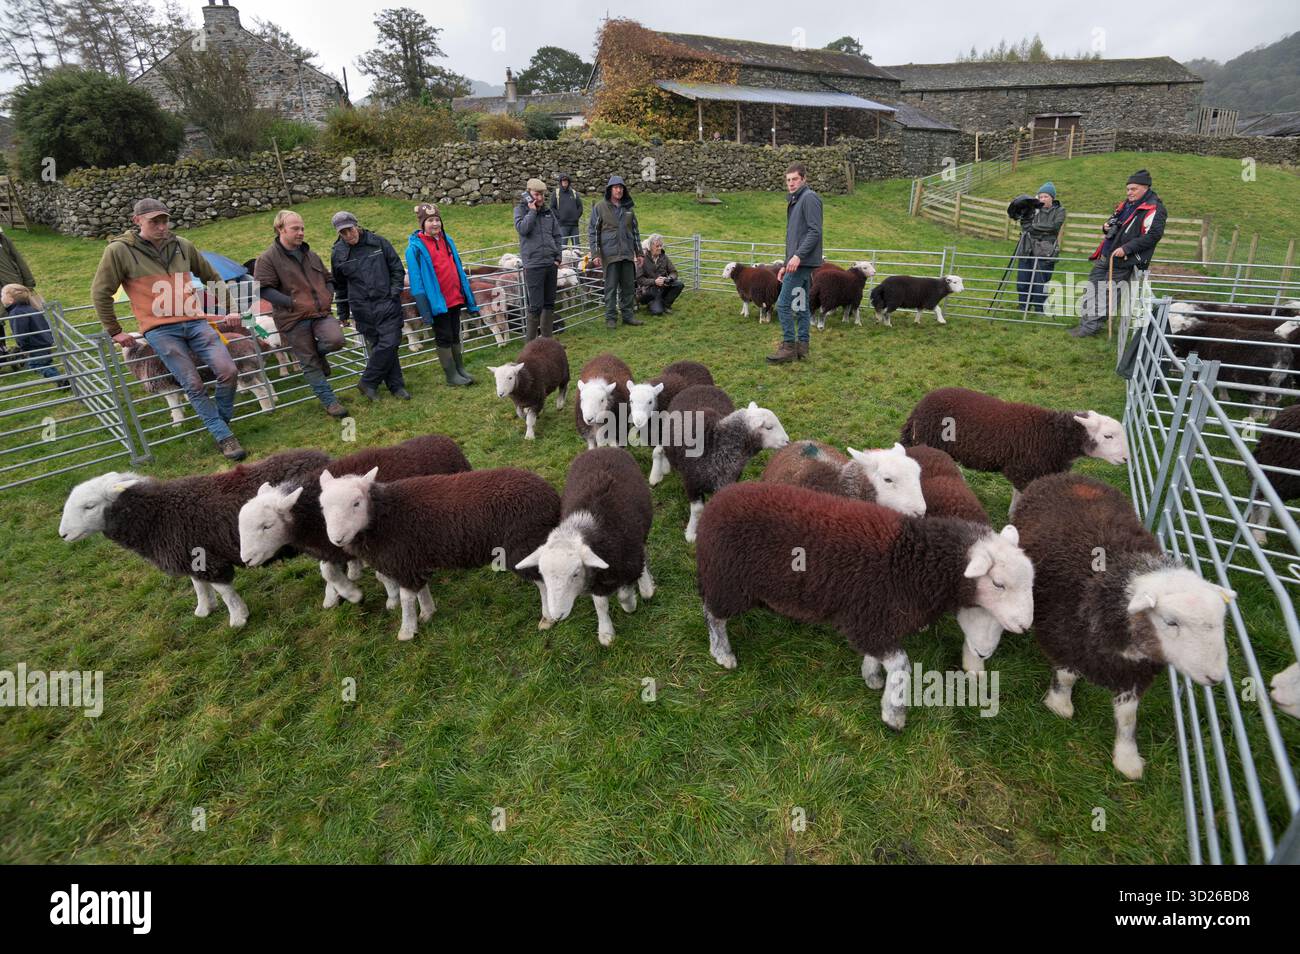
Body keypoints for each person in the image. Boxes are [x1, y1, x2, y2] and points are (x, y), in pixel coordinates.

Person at [90, 198, 246, 460]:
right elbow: (100, 292)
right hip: (160, 329)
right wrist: (114, 330)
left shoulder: (182, 245)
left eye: (164, 220)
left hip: (196, 322)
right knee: (193, 383)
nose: (162, 227)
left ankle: (218, 421)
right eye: (154, 221)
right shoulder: (119, 251)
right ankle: (224, 437)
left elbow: (212, 277)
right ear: (137, 220)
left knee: (228, 370)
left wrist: (230, 307)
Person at [253, 210, 348, 418]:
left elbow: (328, 277)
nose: (301, 232)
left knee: (336, 340)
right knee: (308, 362)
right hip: (293, 319)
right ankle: (330, 402)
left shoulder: (310, 254)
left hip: (320, 312)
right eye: (295, 228)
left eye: (302, 228)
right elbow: (263, 288)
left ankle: (318, 353)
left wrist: (327, 295)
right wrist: (291, 303)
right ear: (280, 229)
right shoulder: (267, 259)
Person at [1073, 169, 1166, 338]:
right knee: (1092, 290)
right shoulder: (1126, 205)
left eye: (1133, 189)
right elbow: (1114, 221)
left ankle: (1090, 328)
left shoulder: (1154, 208)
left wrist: (1127, 248)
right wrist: (1106, 226)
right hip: (1106, 255)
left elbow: (1153, 235)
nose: (1129, 192)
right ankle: (1085, 324)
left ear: (1145, 187)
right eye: (1128, 189)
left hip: (1123, 259)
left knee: (1106, 294)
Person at [330, 211, 410, 401]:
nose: (349, 235)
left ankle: (368, 382)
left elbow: (396, 268)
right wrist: (343, 313)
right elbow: (340, 286)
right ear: (338, 233)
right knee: (380, 346)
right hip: (362, 308)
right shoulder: (338, 253)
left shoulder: (378, 242)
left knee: (390, 342)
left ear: (356, 225)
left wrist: (393, 293)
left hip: (386, 302)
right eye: (343, 233)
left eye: (350, 229)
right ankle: (396, 387)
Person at [406, 203, 479, 386]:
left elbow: (457, 267)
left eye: (437, 220)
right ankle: (451, 375)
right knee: (444, 336)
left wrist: (465, 292)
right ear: (422, 224)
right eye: (430, 220)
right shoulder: (415, 249)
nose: (435, 224)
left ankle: (460, 369)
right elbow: (416, 281)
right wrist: (424, 308)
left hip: (454, 296)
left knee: (455, 333)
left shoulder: (447, 240)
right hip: (436, 301)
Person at [769, 162, 822, 363]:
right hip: (796, 262)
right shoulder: (795, 201)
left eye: (795, 179)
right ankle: (802, 346)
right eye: (788, 180)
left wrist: (798, 256)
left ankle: (789, 346)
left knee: (782, 304)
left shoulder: (809, 199)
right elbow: (794, 237)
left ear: (803, 179)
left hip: (802, 263)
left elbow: (814, 231)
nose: (791, 183)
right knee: (800, 304)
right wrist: (785, 263)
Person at [588, 174, 643, 329]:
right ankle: (610, 318)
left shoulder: (628, 208)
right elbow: (593, 231)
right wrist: (596, 253)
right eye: (616, 187)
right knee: (610, 288)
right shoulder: (600, 207)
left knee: (628, 287)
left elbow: (635, 231)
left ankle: (628, 316)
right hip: (610, 254)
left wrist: (639, 252)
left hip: (626, 253)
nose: (619, 190)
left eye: (621, 188)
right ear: (610, 189)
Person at [515, 178, 563, 339]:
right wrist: (532, 211)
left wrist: (557, 257)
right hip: (534, 264)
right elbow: (523, 229)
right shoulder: (521, 210)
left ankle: (547, 343)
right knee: (535, 306)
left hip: (550, 263)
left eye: (542, 194)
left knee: (549, 303)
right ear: (528, 194)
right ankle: (530, 346)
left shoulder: (549, 212)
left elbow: (557, 235)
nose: (540, 198)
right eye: (536, 194)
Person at [1013, 182, 1065, 314]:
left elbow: (1054, 227)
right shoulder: (1033, 209)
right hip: (1027, 248)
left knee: (1040, 281)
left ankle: (1039, 308)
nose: (1042, 199)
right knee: (1023, 279)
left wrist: (1033, 228)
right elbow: (1024, 226)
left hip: (1046, 251)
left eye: (1046, 196)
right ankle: (1023, 306)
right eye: (1040, 196)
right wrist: (1035, 228)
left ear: (1052, 197)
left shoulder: (1060, 211)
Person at [0, 283, 63, 383]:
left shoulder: (16, 313)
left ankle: (63, 381)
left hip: (34, 344)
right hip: (44, 341)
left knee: (35, 365)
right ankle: (62, 382)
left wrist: (23, 347)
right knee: (45, 364)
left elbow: (20, 332)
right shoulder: (30, 307)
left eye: (2, 295)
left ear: (11, 300)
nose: (1, 297)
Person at [0, 226, 36, 355]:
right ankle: (3, 351)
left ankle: (34, 345)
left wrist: (28, 282)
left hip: (11, 286)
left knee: (22, 315)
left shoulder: (4, 241)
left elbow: (18, 259)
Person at [635, 234, 684, 315]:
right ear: (650, 247)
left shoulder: (664, 257)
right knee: (657, 312)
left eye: (661, 246)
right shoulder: (642, 259)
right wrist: (654, 281)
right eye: (657, 246)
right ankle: (653, 303)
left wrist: (669, 279)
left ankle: (666, 305)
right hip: (648, 290)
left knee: (679, 284)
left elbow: (673, 272)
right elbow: (639, 279)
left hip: (663, 287)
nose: (660, 248)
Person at [548, 173, 583, 247]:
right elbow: (552, 207)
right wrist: (560, 217)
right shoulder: (556, 193)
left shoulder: (574, 193)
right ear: (560, 182)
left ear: (569, 182)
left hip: (574, 225)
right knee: (562, 247)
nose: (565, 182)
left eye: (566, 180)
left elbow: (580, 207)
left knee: (576, 248)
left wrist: (576, 217)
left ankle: (577, 259)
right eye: (563, 180)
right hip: (562, 225)